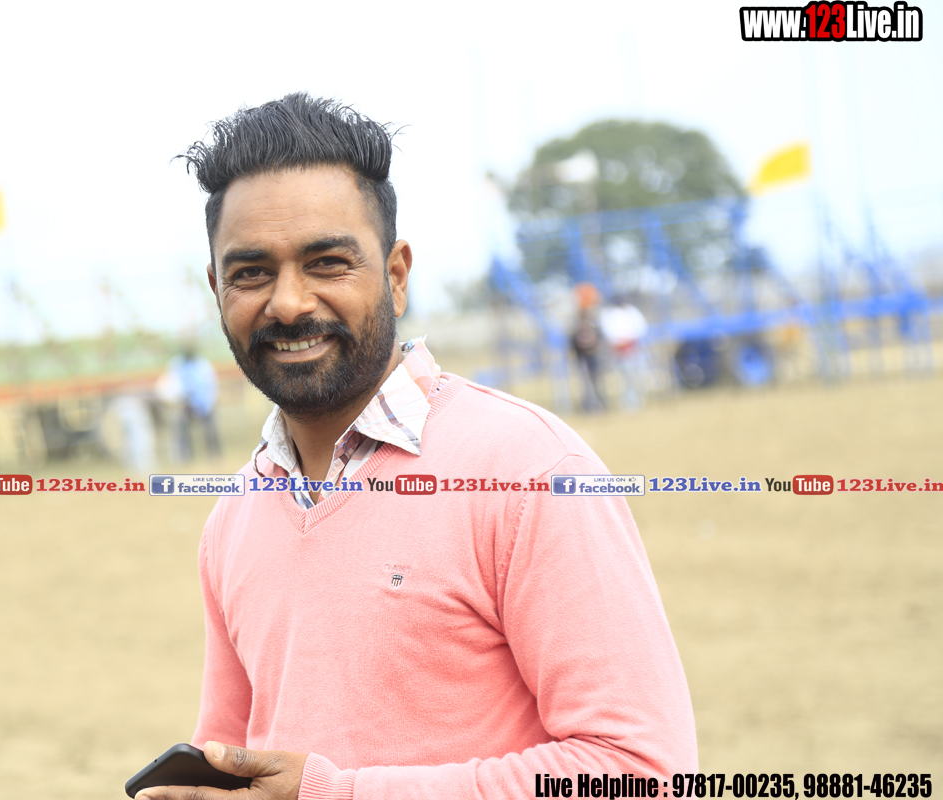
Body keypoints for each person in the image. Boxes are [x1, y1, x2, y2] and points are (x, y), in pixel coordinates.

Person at [137, 94, 696, 800]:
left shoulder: (531, 472)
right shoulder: (234, 520)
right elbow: (234, 763)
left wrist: (337, 794)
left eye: (327, 263)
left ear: (397, 275)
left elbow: (643, 773)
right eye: (251, 273)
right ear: (217, 289)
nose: (288, 302)